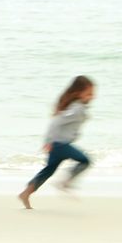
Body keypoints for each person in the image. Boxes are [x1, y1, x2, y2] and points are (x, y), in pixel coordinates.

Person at [18, 76, 96, 209]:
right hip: (60, 144)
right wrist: (48, 141)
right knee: (85, 160)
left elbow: (62, 122)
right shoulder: (77, 108)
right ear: (78, 93)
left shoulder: (77, 107)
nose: (92, 97)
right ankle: (66, 182)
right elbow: (56, 122)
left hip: (57, 144)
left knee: (48, 170)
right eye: (89, 93)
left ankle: (26, 193)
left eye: (93, 94)